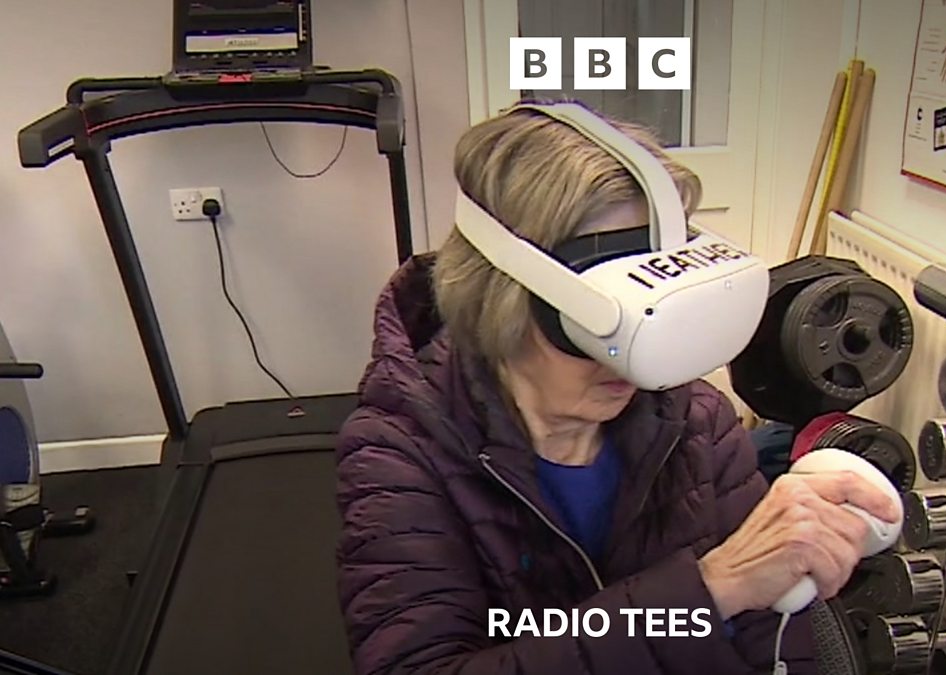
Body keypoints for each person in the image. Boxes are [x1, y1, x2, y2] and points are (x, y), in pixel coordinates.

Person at [334, 102, 900, 675]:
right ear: (500, 297)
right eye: (598, 323)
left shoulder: (697, 422)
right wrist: (710, 589)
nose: (631, 363)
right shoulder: (400, 450)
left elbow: (773, 645)